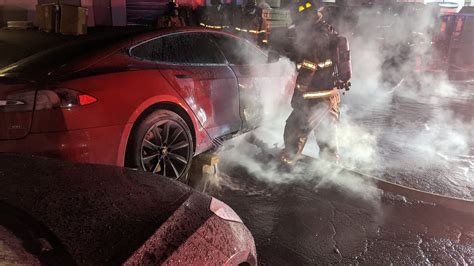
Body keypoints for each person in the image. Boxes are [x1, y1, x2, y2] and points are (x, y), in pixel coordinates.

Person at [279, 0, 351, 168]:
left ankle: (285, 167)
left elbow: (308, 69)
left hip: (313, 98)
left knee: (294, 130)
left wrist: (297, 95)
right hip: (330, 97)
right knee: (326, 135)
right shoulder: (328, 31)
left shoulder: (314, 38)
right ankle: (330, 171)